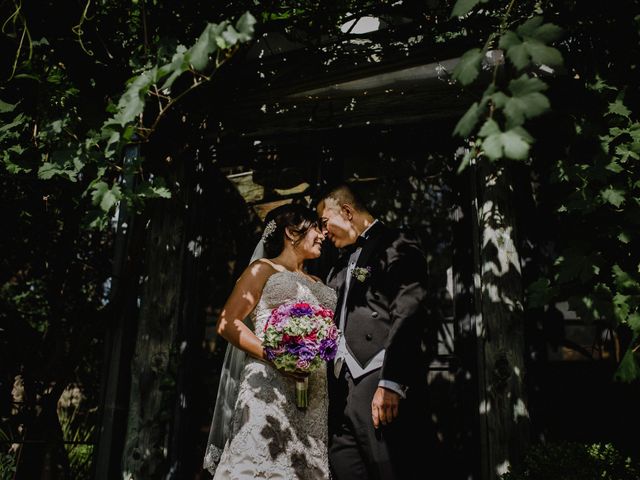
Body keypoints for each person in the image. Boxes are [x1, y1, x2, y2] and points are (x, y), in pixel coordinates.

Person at [203, 203, 337, 479]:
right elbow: (228, 324)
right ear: (291, 232)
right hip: (269, 386)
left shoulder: (317, 280)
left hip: (312, 393)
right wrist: (275, 356)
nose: (323, 235)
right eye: (315, 228)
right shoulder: (262, 269)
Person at [317, 183, 433, 480]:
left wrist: (392, 381)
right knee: (344, 467)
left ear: (346, 211)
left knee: (388, 470)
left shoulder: (398, 243)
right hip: (339, 387)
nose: (323, 232)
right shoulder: (337, 263)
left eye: (324, 222)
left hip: (377, 380)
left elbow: (409, 310)